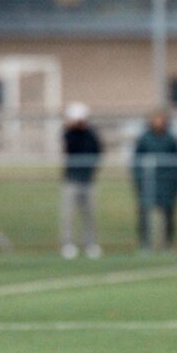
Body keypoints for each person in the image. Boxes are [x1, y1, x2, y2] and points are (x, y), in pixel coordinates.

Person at [132, 109, 177, 252]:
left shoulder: (171, 139)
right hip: (148, 182)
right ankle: (145, 243)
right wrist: (140, 179)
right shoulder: (144, 139)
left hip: (166, 182)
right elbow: (136, 160)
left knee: (168, 213)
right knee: (145, 213)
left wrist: (174, 180)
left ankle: (167, 243)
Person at [60, 102, 102, 260]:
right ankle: (68, 244)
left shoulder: (91, 134)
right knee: (68, 214)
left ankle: (91, 243)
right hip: (71, 179)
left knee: (89, 213)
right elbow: (69, 146)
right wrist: (72, 128)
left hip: (88, 179)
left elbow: (96, 150)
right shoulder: (68, 133)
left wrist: (85, 129)